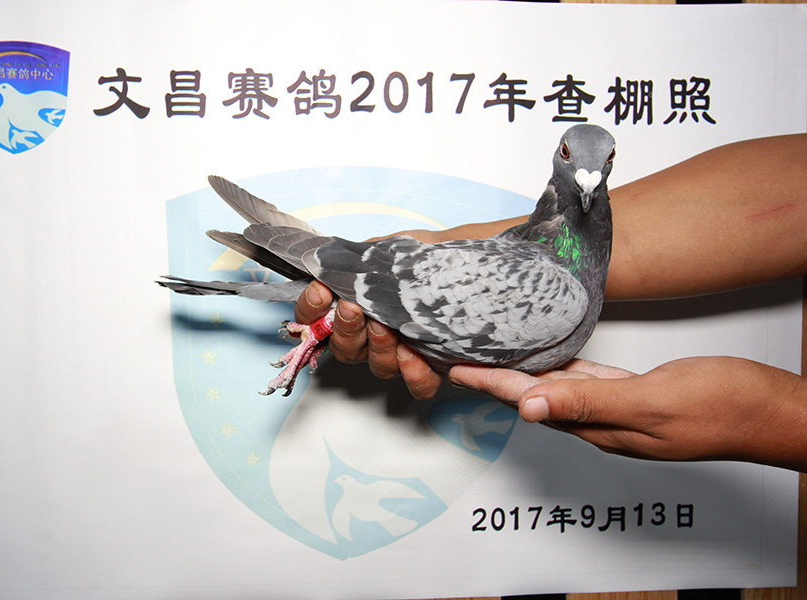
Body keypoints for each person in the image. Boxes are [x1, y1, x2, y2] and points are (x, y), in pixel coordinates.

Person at [294, 132, 807, 472]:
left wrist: (769, 418)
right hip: (464, 275)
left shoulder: (561, 289)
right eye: (570, 156)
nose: (587, 172)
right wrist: (438, 260)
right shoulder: (555, 289)